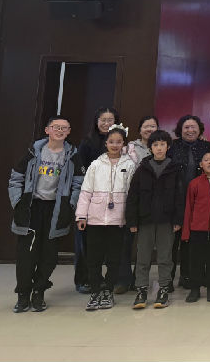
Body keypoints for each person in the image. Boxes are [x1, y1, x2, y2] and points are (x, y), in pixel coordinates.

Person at [10, 115, 84, 313]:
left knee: (49, 256)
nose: (60, 131)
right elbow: (16, 178)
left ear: (68, 132)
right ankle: (23, 294)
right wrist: (18, 202)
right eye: (56, 127)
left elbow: (78, 183)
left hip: (56, 210)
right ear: (47, 130)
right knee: (26, 255)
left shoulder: (73, 156)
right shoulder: (33, 152)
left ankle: (39, 292)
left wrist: (70, 205)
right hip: (31, 208)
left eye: (64, 128)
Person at [76, 124, 134, 311]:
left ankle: (108, 290)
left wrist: (131, 218)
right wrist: (81, 216)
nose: (115, 145)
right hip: (95, 219)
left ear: (123, 144)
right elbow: (85, 192)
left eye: (119, 142)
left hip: (118, 220)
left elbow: (132, 195)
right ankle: (95, 291)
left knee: (114, 258)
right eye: (111, 142)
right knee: (93, 258)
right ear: (106, 143)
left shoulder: (129, 165)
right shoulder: (95, 165)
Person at [126, 129, 184, 309]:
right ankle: (141, 290)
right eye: (155, 144)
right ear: (150, 147)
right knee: (143, 257)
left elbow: (180, 197)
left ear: (168, 147)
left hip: (167, 221)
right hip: (145, 220)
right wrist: (132, 220)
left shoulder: (175, 168)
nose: (159, 148)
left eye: (162, 144)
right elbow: (133, 196)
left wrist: (178, 220)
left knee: (165, 257)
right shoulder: (142, 169)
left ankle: (164, 289)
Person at [74, 106, 119, 291]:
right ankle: (84, 279)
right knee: (86, 243)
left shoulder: (120, 143)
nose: (107, 123)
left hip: (113, 201)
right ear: (96, 122)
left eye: (110, 120)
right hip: (91, 198)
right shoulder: (87, 143)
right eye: (103, 120)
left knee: (108, 244)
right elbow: (80, 171)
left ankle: (107, 279)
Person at [169, 114, 210, 290]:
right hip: (175, 199)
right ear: (180, 130)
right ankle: (168, 279)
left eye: (193, 127)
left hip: (199, 201)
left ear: (199, 129)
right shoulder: (172, 147)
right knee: (173, 241)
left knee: (192, 240)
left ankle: (188, 275)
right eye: (186, 127)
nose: (190, 130)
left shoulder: (207, 147)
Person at [181, 148, 210, 303]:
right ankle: (195, 288)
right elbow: (188, 208)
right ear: (201, 164)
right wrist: (186, 232)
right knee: (196, 260)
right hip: (197, 229)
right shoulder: (194, 183)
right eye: (206, 160)